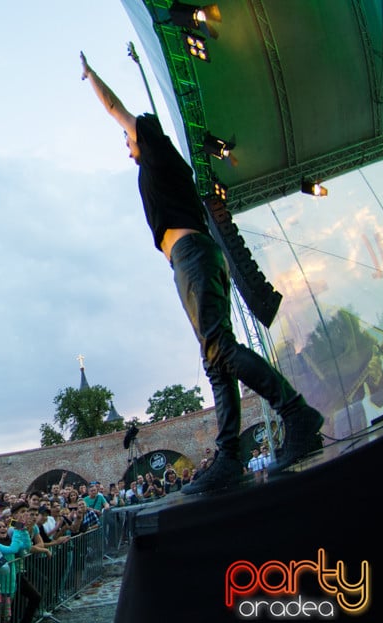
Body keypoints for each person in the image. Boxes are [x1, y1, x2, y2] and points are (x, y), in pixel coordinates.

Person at [80, 52, 325, 494]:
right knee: (215, 361)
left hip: (193, 256)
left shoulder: (158, 152)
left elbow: (117, 108)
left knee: (222, 351)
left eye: (131, 137)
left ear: (146, 136)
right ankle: (229, 457)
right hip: (190, 260)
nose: (126, 142)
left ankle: (295, 413)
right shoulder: (160, 173)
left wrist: (91, 76)